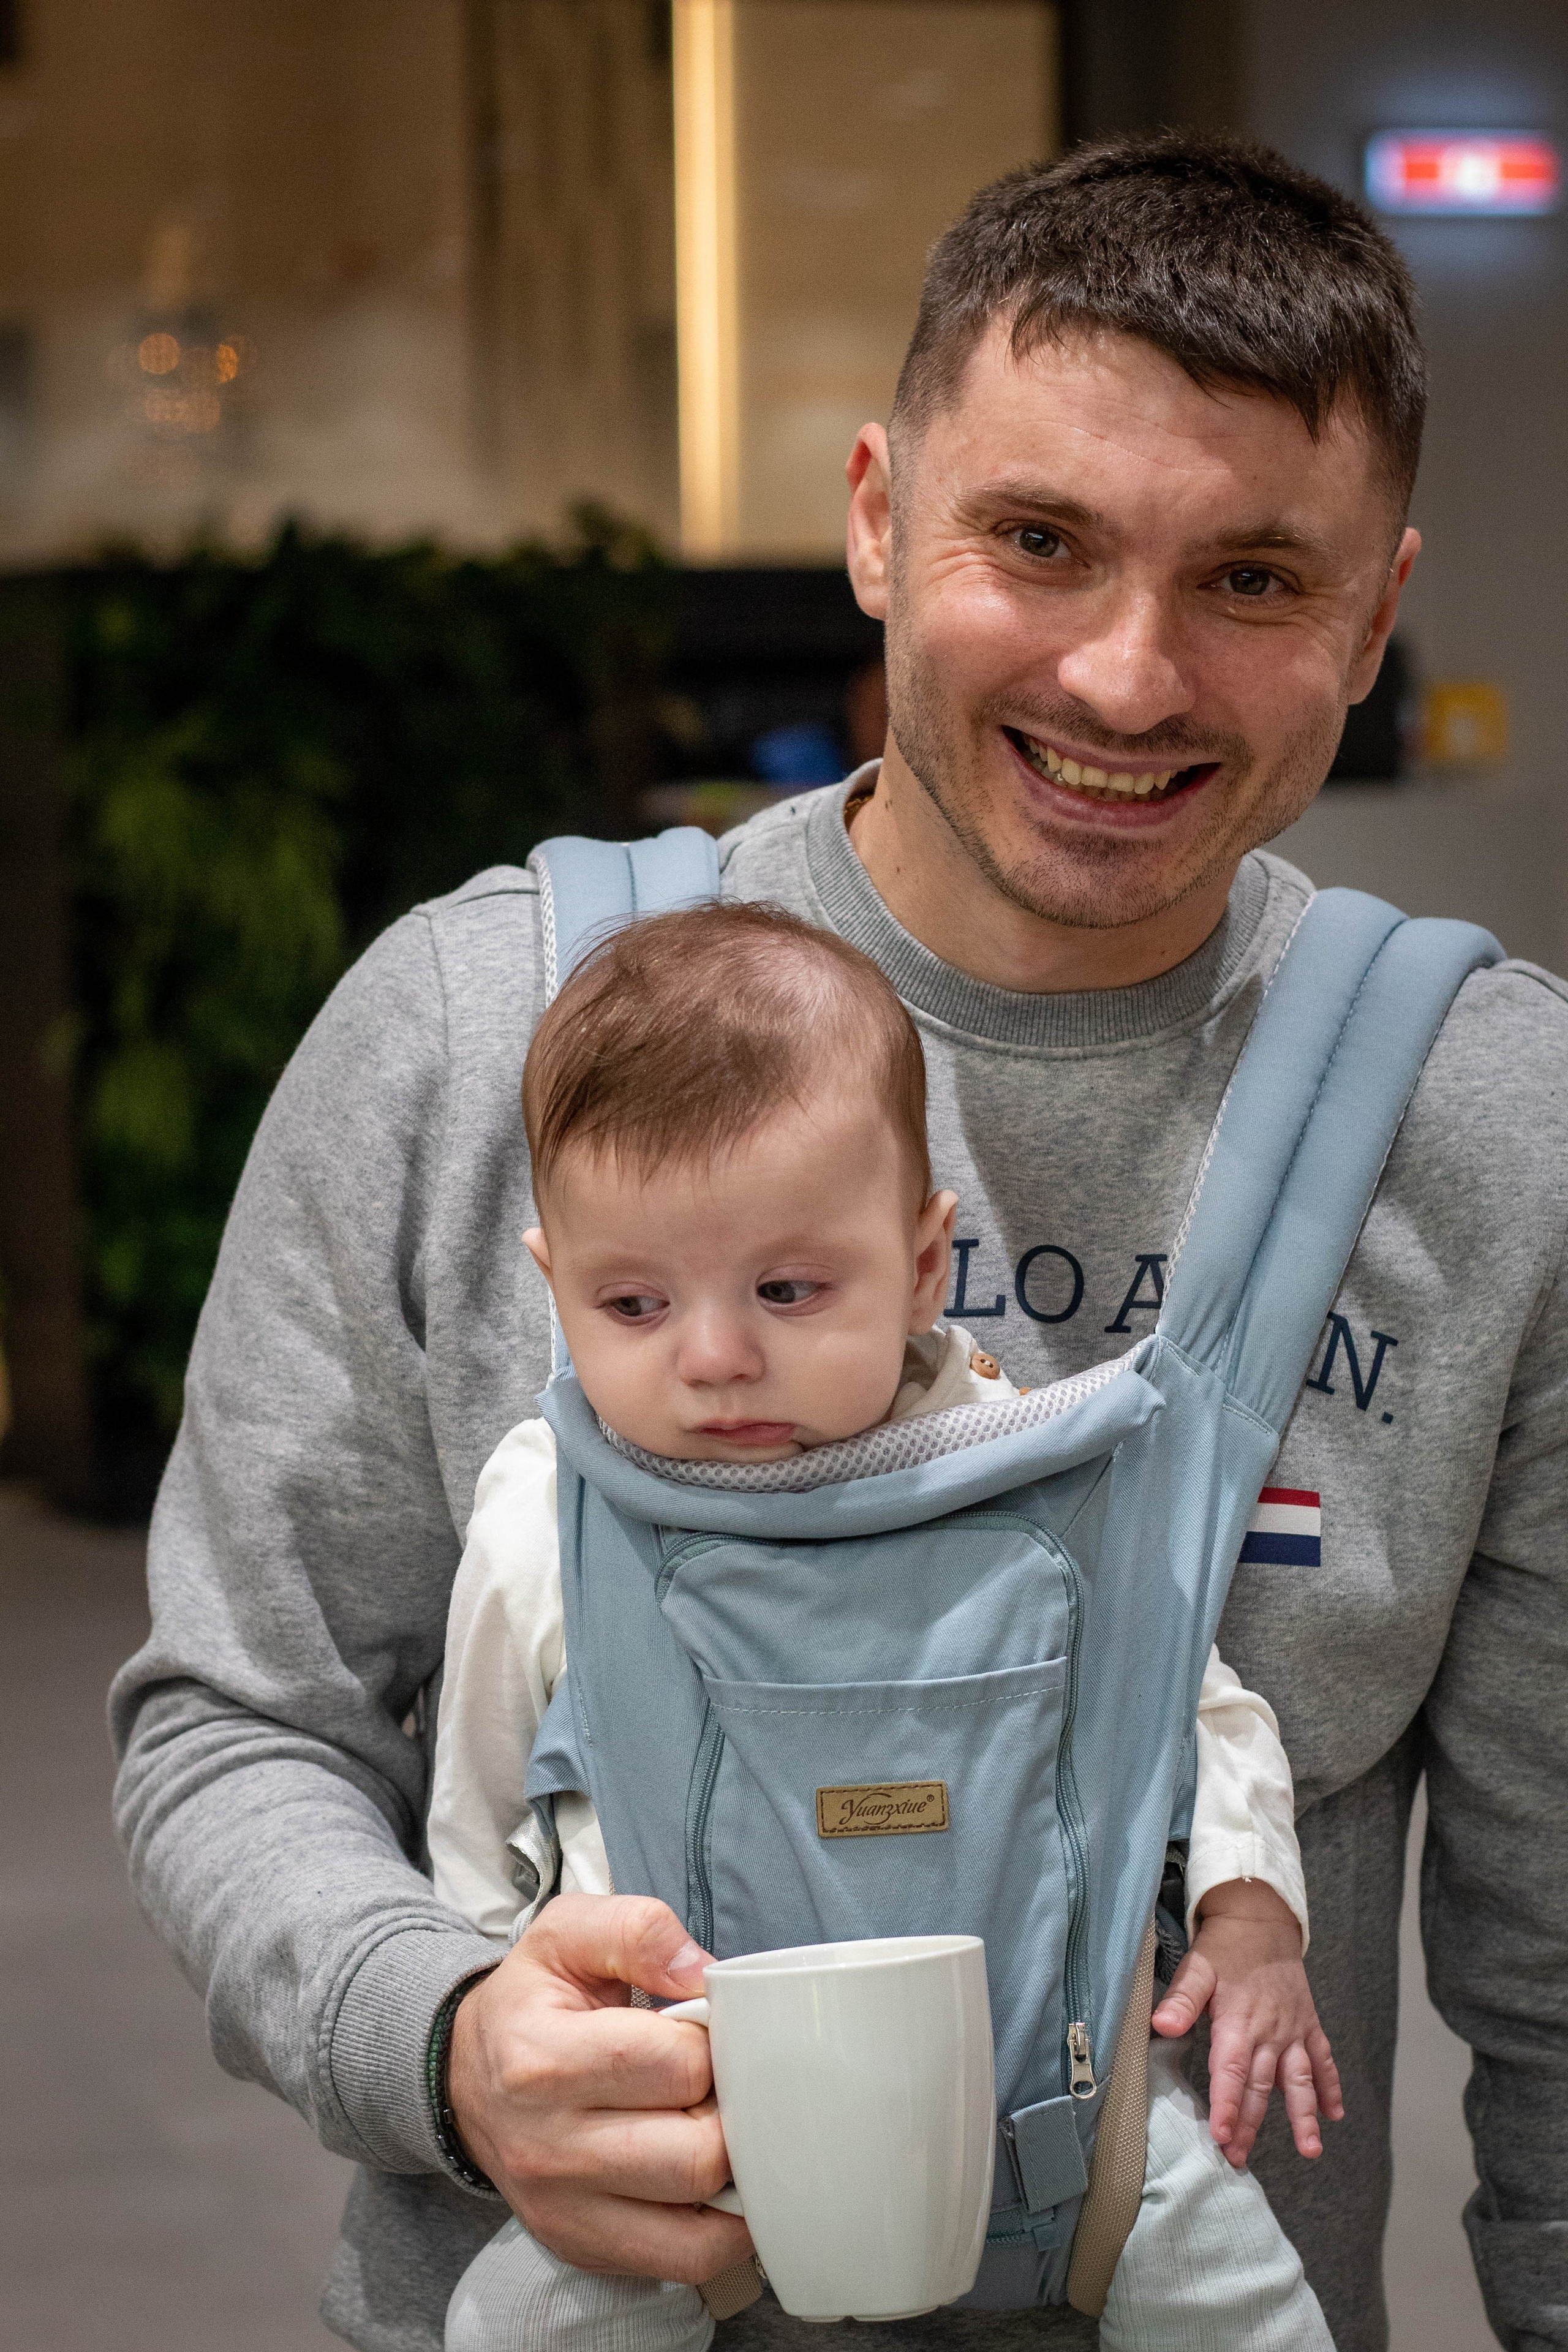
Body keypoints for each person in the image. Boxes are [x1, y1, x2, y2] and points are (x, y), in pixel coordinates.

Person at [110, 133, 1568, 2352]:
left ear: (1378, 615)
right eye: (1041, 541)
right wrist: (444, 2038)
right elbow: (238, 1720)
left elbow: (1559, 1960)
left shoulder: (1497, 1127)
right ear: (880, 519)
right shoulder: (473, 1033)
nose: (1126, 676)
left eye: (1259, 582)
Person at [431, 899, 1337, 2352]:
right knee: (511, 2324)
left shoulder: (1021, 1467)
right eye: (633, 1301)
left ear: (924, 1267)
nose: (717, 1356)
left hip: (1072, 2115)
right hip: (686, 2122)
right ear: (552, 1290)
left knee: (1240, 2300)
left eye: (790, 1289)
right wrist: (491, 2010)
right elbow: (479, 1798)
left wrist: (1247, 1916)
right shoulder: (553, 1505)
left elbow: (1183, 1697)